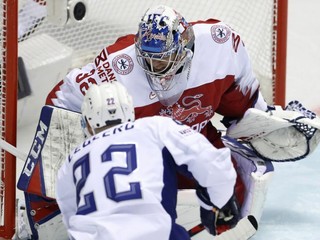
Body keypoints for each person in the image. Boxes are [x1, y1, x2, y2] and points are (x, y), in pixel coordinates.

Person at [24, 4, 319, 239]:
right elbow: (61, 105)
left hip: (186, 143)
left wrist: (263, 122)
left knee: (236, 200)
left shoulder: (221, 46)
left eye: (164, 61)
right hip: (146, 159)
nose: (158, 71)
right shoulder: (117, 67)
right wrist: (48, 199)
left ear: (187, 50)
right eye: (150, 62)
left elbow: (242, 110)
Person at [56, 81, 238, 240]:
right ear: (129, 111)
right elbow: (214, 166)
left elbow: (71, 221)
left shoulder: (70, 160)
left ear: (87, 122)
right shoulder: (154, 126)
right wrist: (215, 205)